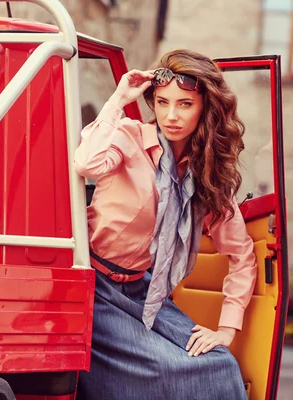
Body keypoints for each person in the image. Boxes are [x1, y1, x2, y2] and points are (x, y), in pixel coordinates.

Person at [74, 49, 257, 400]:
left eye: (185, 104)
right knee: (173, 371)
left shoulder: (206, 172)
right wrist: (119, 97)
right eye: (162, 102)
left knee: (220, 362)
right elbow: (86, 163)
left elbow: (242, 254)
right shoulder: (128, 137)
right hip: (93, 288)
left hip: (144, 292)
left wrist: (226, 330)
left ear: (206, 107)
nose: (170, 115)